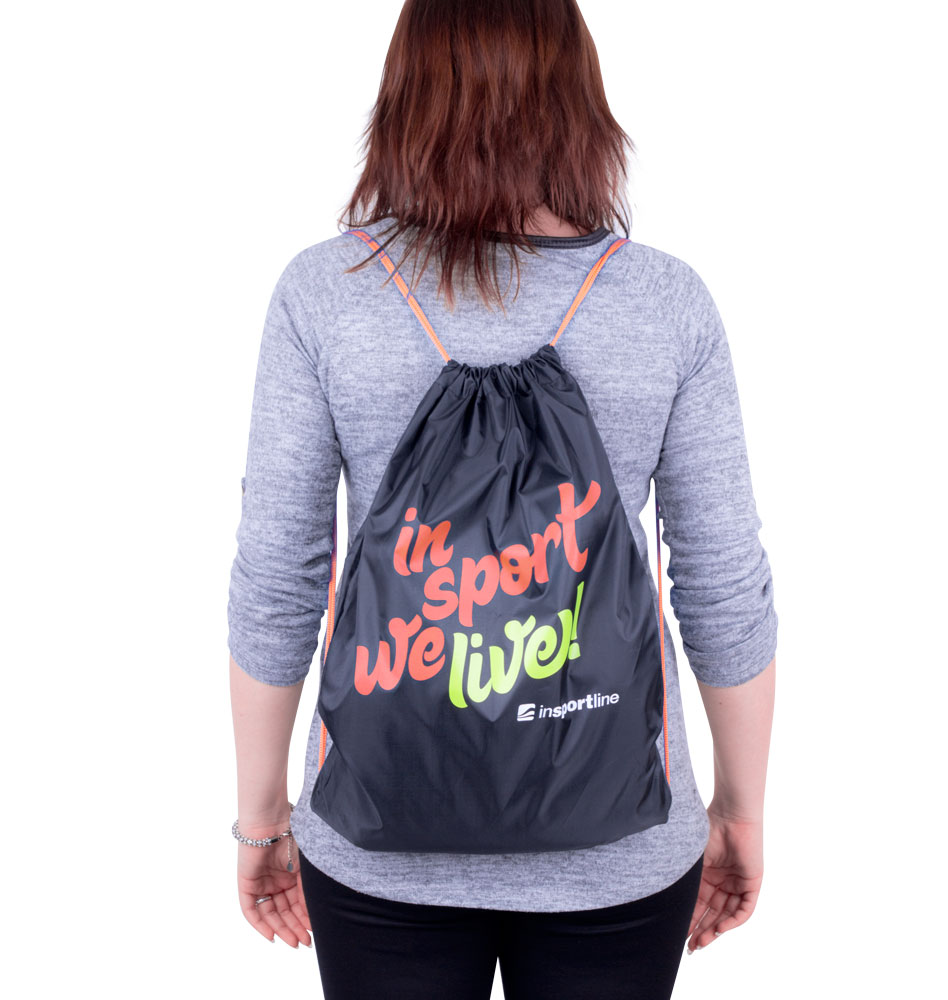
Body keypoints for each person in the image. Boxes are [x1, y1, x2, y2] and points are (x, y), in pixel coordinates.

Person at [227, 1, 778, 997]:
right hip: (620, 847)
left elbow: (278, 577)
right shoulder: (665, 302)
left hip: (377, 843)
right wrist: (739, 809)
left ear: (406, 97)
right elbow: (723, 583)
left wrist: (264, 818)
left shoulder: (326, 293)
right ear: (578, 102)